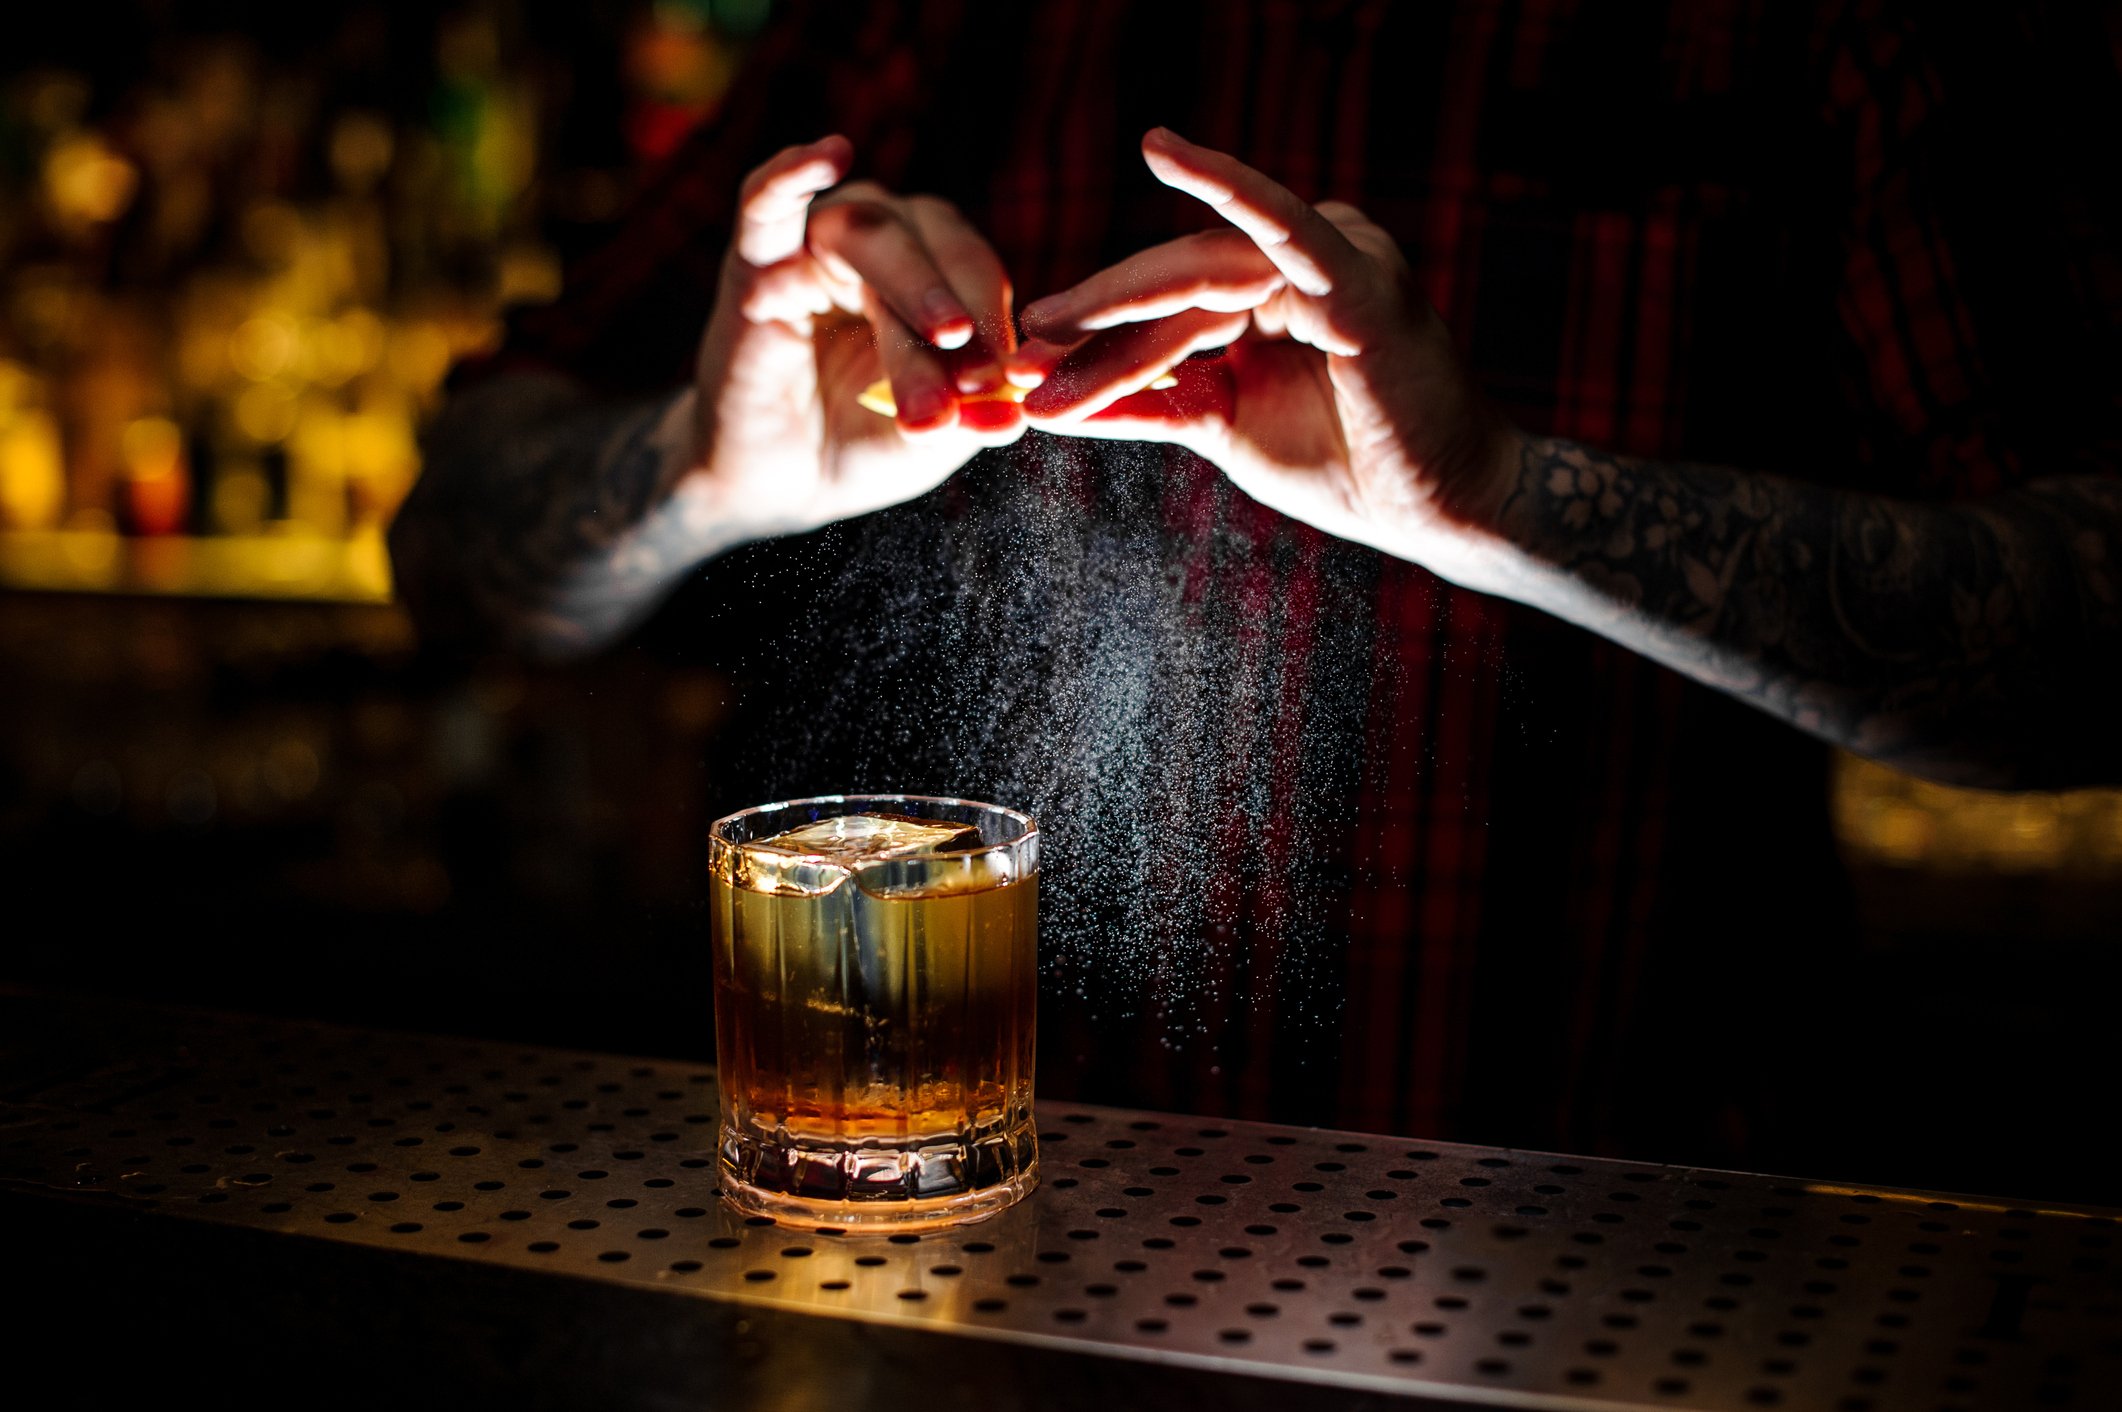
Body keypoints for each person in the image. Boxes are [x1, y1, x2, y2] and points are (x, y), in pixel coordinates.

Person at [391, 1, 2122, 1169]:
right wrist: (700, 466)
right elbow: (450, 555)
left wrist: (1508, 498)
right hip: (984, 1291)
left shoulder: (1813, 32)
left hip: (1626, 1267)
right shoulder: (944, 23)